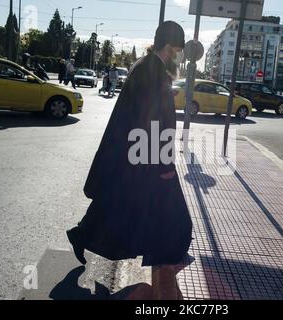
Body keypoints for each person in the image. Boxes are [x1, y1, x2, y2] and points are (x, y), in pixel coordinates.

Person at [66, 21, 192, 300]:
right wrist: (164, 165)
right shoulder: (154, 73)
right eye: (179, 50)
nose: (179, 56)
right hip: (143, 158)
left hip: (132, 156)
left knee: (117, 205)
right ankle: (158, 262)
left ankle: (83, 236)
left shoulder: (146, 67)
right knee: (165, 218)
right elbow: (154, 122)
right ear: (170, 47)